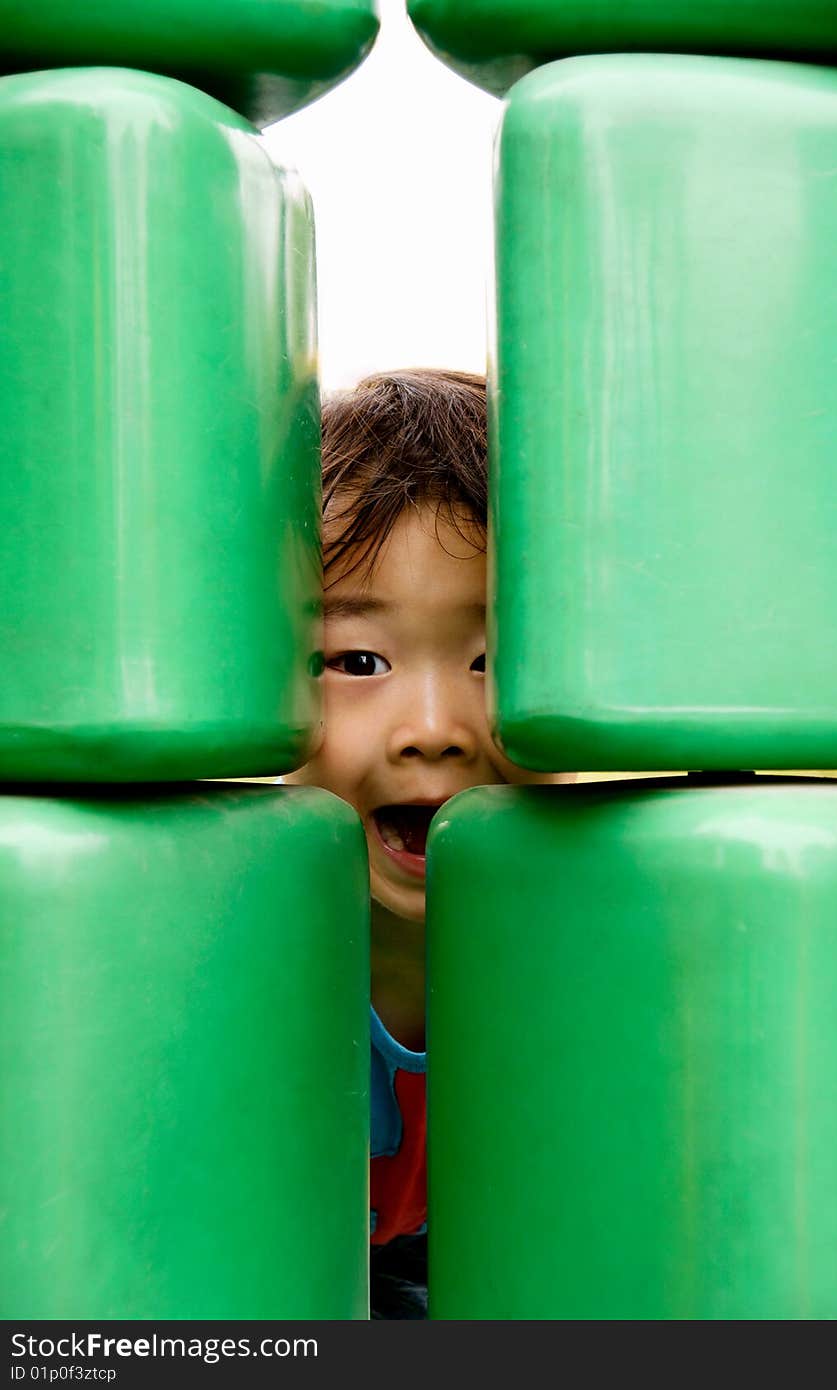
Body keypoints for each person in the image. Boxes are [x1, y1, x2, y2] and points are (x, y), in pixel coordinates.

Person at [286, 368, 563, 1317]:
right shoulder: (236, 950)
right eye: (358, 661)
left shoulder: (586, 939)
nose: (436, 726)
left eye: (498, 659)